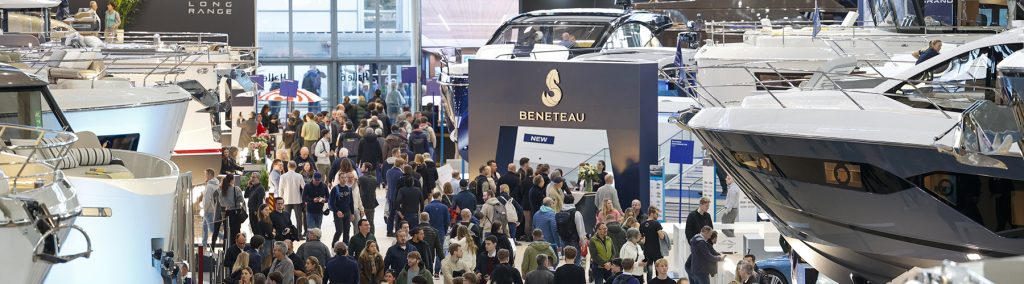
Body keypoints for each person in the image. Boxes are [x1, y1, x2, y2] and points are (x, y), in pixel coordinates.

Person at [279, 161, 307, 237]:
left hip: (286, 200)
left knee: (286, 219)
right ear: (295, 167)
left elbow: (280, 189)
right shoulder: (299, 176)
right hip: (297, 199)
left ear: (287, 167)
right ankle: (299, 234)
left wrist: (280, 200)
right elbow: (304, 187)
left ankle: (286, 234)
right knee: (299, 218)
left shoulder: (283, 176)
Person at [642, 206, 666, 281]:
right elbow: (662, 236)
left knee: (649, 268)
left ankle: (649, 282)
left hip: (647, 250)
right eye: (656, 214)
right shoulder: (656, 224)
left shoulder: (642, 224)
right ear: (652, 213)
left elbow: (641, 238)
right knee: (658, 268)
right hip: (656, 250)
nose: (657, 216)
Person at [220, 175, 246, 244]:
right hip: (236, 212)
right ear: (232, 180)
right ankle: (236, 248)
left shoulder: (222, 190)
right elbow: (241, 200)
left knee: (227, 232)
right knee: (236, 232)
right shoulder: (236, 189)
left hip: (227, 213)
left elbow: (222, 203)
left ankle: (227, 249)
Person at [200, 169, 221, 248]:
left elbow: (207, 199)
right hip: (212, 209)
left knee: (212, 229)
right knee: (204, 228)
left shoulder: (209, 186)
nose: (205, 176)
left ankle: (225, 237)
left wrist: (204, 210)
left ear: (210, 175)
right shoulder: (216, 184)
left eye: (206, 174)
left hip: (209, 210)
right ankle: (204, 244)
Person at [357, 162, 379, 231]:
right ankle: (372, 238)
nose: (361, 168)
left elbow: (357, 190)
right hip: (371, 203)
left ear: (366, 169)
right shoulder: (374, 179)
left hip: (362, 203)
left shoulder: (361, 179)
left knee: (359, 223)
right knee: (371, 223)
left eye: (362, 166)